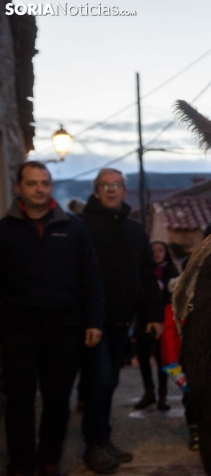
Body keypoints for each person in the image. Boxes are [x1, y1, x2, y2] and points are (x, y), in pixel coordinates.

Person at [0, 161, 103, 476]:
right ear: (19, 187)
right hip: (17, 331)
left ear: (51, 186)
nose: (39, 188)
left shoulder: (73, 228)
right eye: (32, 183)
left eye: (44, 182)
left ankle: (48, 459)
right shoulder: (4, 231)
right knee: (18, 402)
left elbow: (91, 277)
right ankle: (22, 463)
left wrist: (93, 321)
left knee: (58, 401)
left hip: (64, 329)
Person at [79, 168, 164, 474]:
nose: (111, 190)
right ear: (97, 190)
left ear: (124, 191)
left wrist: (153, 315)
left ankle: (103, 440)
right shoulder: (83, 226)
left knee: (109, 382)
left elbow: (146, 275)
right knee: (98, 382)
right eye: (105, 185)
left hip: (122, 321)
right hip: (94, 323)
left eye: (116, 185)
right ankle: (94, 445)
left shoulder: (134, 230)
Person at [133, 241, 179, 410]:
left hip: (165, 322)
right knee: (143, 357)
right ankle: (149, 392)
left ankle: (162, 395)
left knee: (163, 359)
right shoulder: (143, 271)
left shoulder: (172, 273)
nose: (157, 254)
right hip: (144, 320)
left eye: (161, 250)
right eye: (153, 251)